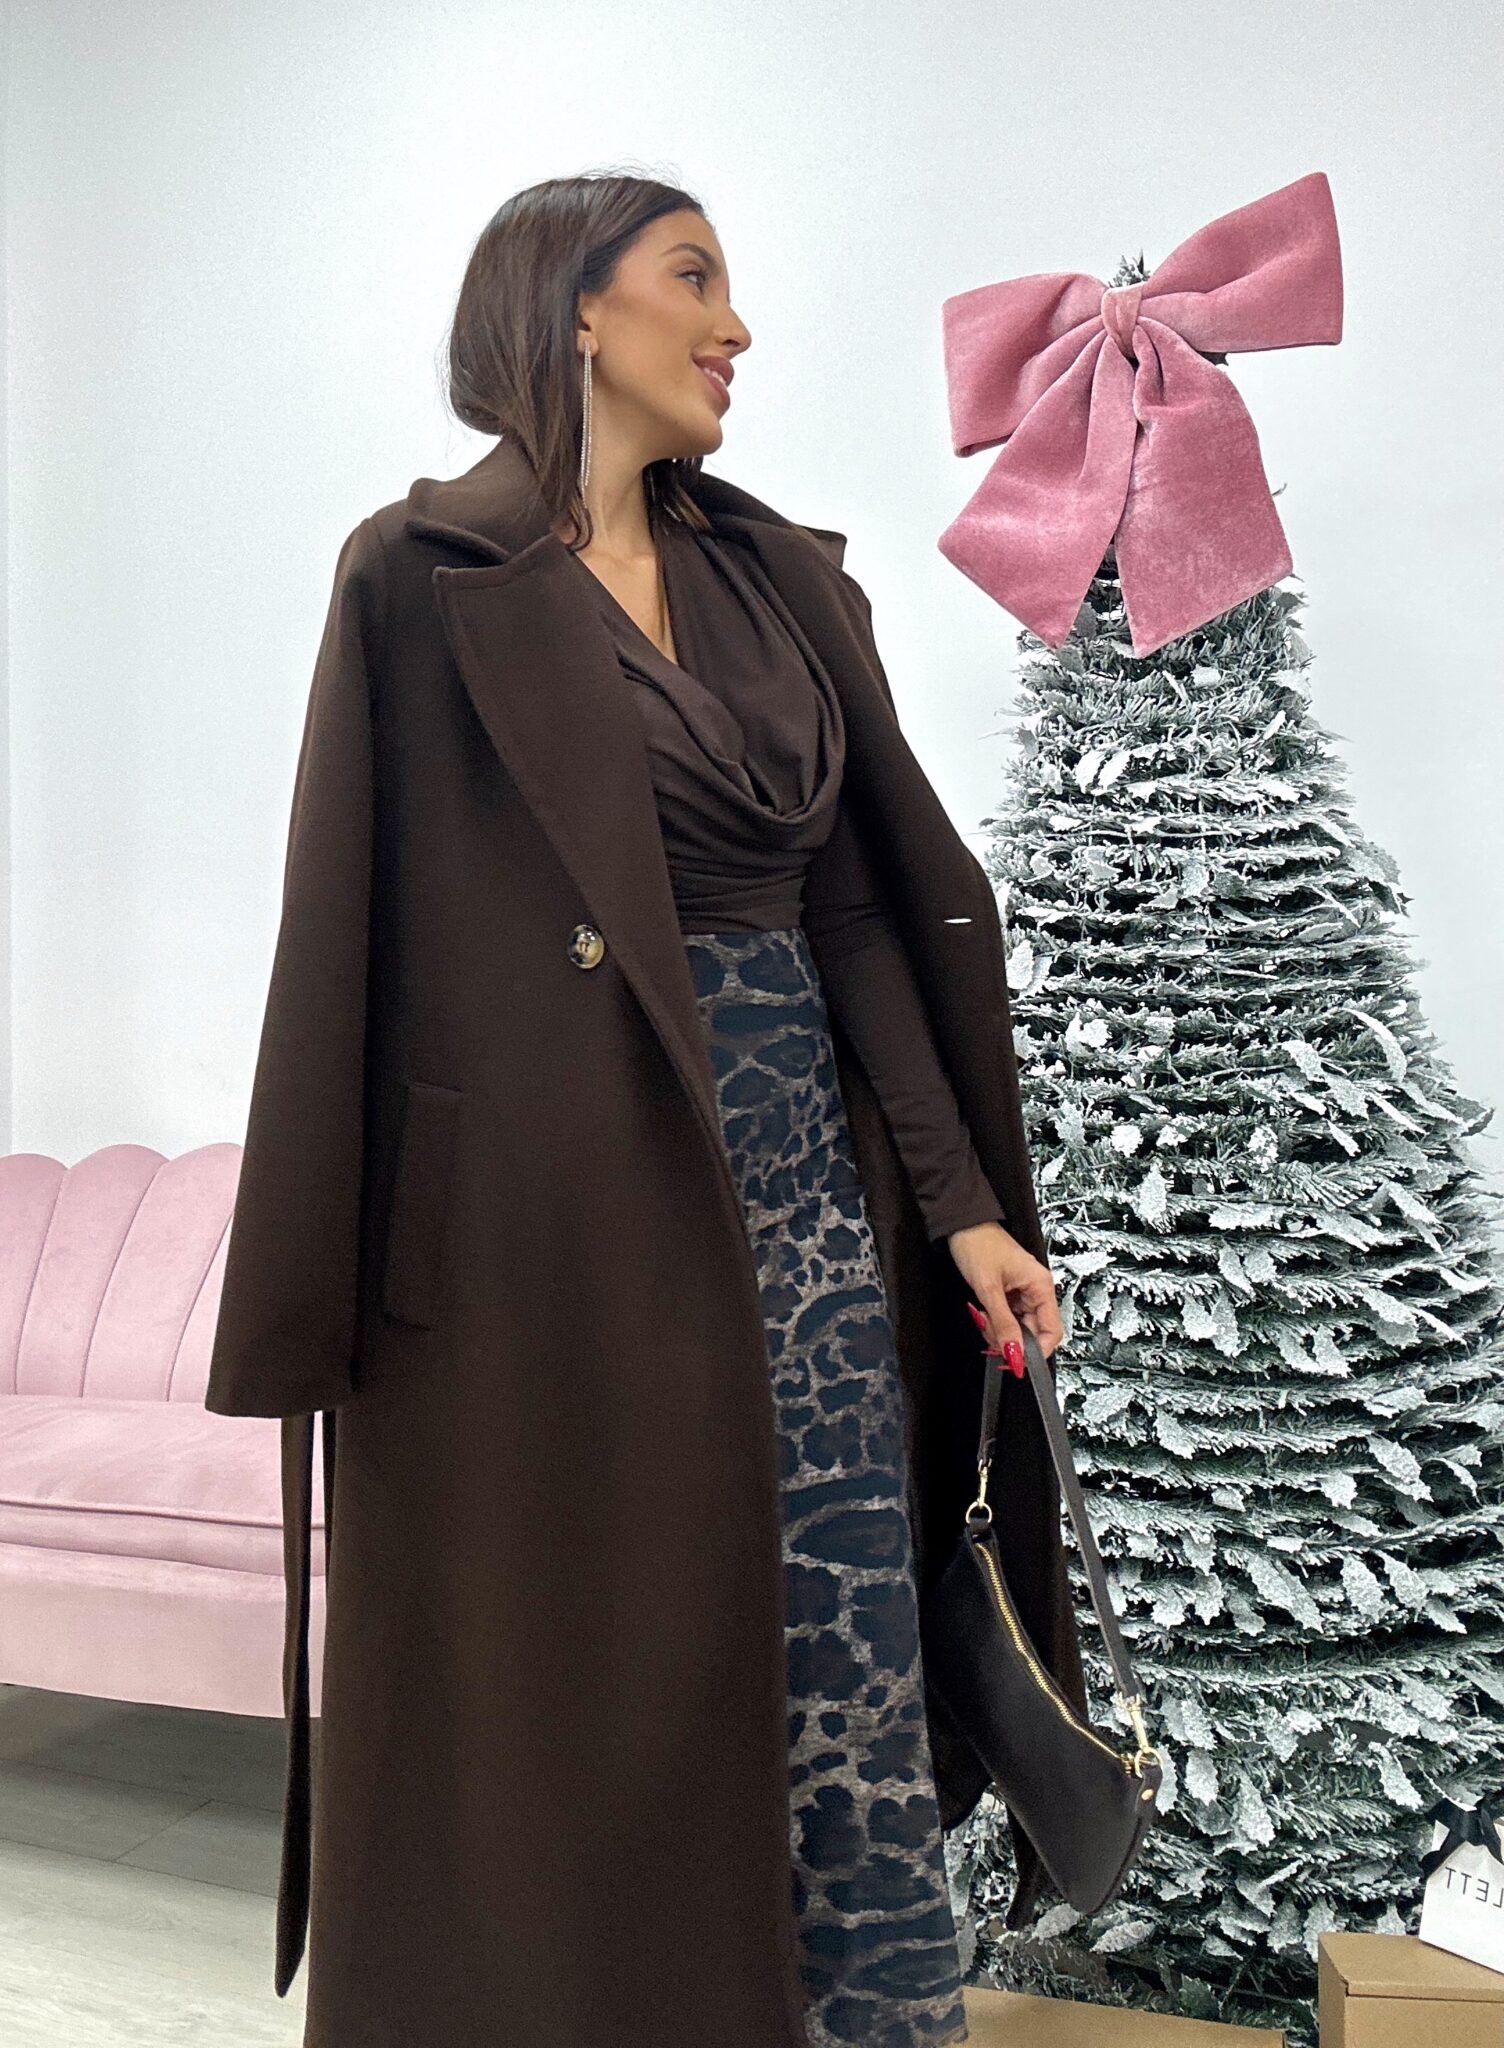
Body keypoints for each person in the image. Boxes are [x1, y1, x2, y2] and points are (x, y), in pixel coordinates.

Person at [206, 169, 1074, 2048]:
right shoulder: (418, 579)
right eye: (696, 278)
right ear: (577, 309)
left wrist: (960, 1208)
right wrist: (323, 1293)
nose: (736, 326)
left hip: (801, 1205)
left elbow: (853, 914)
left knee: (840, 1641)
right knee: (599, 1690)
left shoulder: (777, 584)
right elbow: (341, 942)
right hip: (544, 1237)